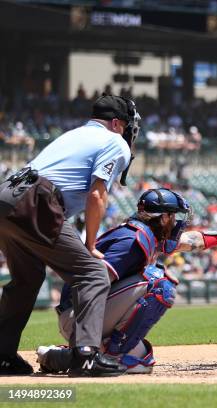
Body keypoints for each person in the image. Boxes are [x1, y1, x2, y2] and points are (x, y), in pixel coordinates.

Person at [36, 188, 217, 374]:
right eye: (174, 217)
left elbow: (190, 241)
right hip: (79, 316)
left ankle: (63, 357)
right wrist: (82, 334)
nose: (177, 222)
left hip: (83, 317)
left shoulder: (146, 234)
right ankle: (107, 354)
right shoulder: (132, 241)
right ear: (163, 217)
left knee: (144, 359)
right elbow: (91, 283)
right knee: (160, 281)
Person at [0, 94, 139, 377]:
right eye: (125, 125)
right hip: (36, 202)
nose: (126, 131)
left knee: (27, 279)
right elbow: (97, 195)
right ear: (116, 123)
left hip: (7, 198)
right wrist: (90, 243)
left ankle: (1, 355)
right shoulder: (115, 142)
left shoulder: (76, 134)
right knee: (92, 274)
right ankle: (86, 356)